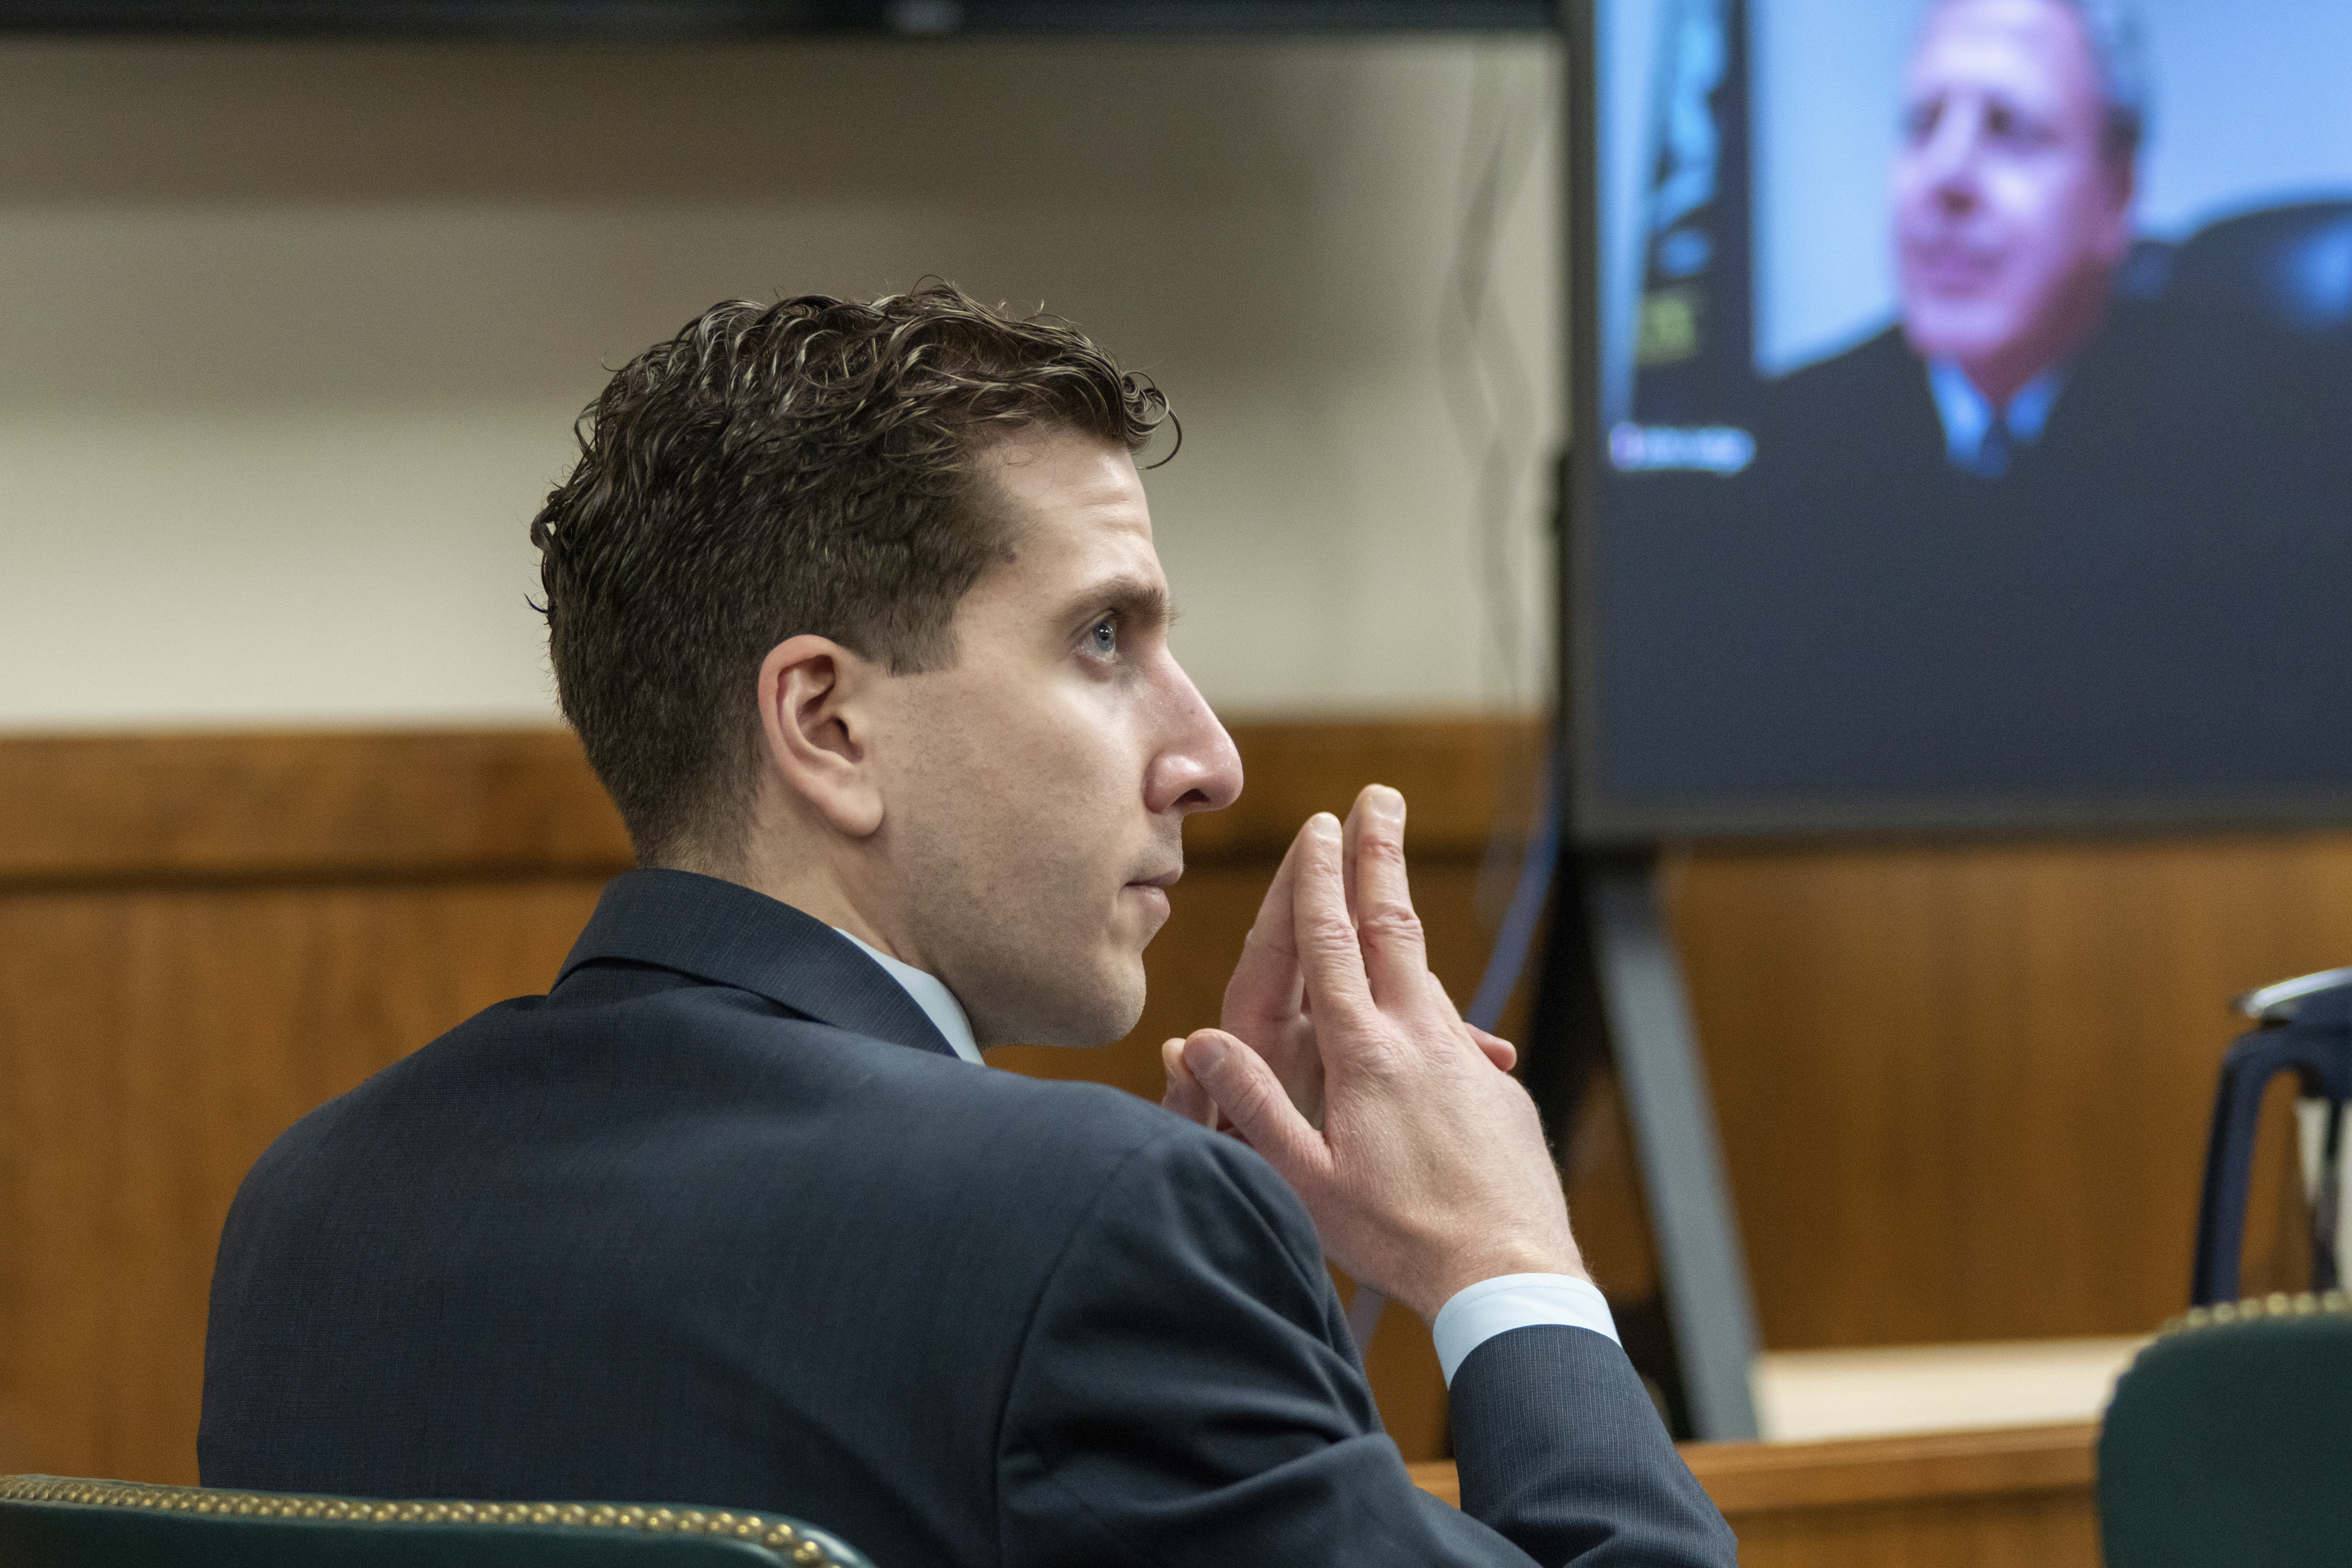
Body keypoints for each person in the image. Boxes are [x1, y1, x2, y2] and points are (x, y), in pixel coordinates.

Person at [198, 285, 1738, 1567]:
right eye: (1100, 636)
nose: (1209, 758)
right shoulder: (1096, 1223)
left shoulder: (310, 1209)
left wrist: (1263, 1321)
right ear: (828, 723)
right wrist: (1503, 1254)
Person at [1598, 0, 2352, 814]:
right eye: (1922, 125)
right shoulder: (1783, 446)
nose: (1945, 178)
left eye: (2008, 130)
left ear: (2118, 194)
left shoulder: (2256, 447)